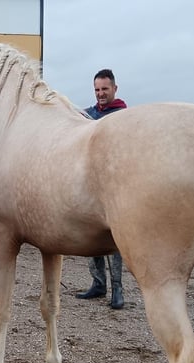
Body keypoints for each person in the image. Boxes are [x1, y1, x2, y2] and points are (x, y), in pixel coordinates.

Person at [76, 69, 128, 309]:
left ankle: (117, 288)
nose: (100, 94)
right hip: (90, 183)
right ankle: (98, 283)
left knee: (115, 236)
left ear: (114, 89)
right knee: (92, 233)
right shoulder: (88, 114)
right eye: (97, 90)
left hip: (116, 183)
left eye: (104, 89)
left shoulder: (124, 115)